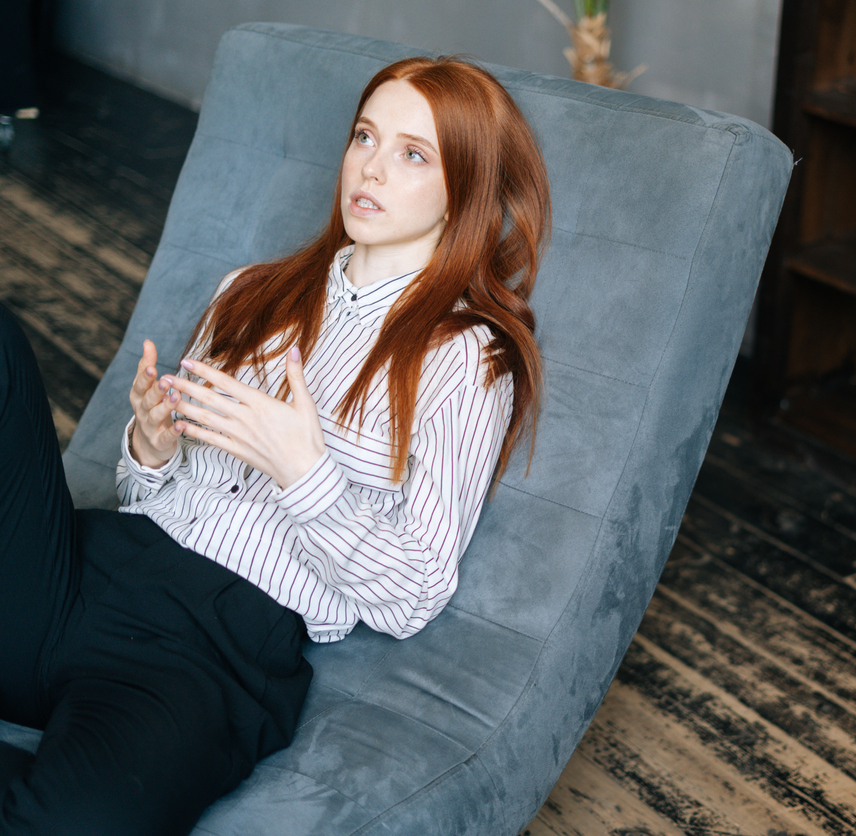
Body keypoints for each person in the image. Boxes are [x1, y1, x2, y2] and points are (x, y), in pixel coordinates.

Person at [0, 54, 549, 835]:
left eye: (412, 154)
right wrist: (151, 450)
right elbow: (148, 497)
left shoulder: (467, 358)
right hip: (79, 572)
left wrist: (305, 471)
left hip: (203, 654)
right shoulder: (250, 291)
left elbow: (416, 592)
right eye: (365, 136)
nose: (371, 166)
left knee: (79, 823)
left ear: (467, 187)